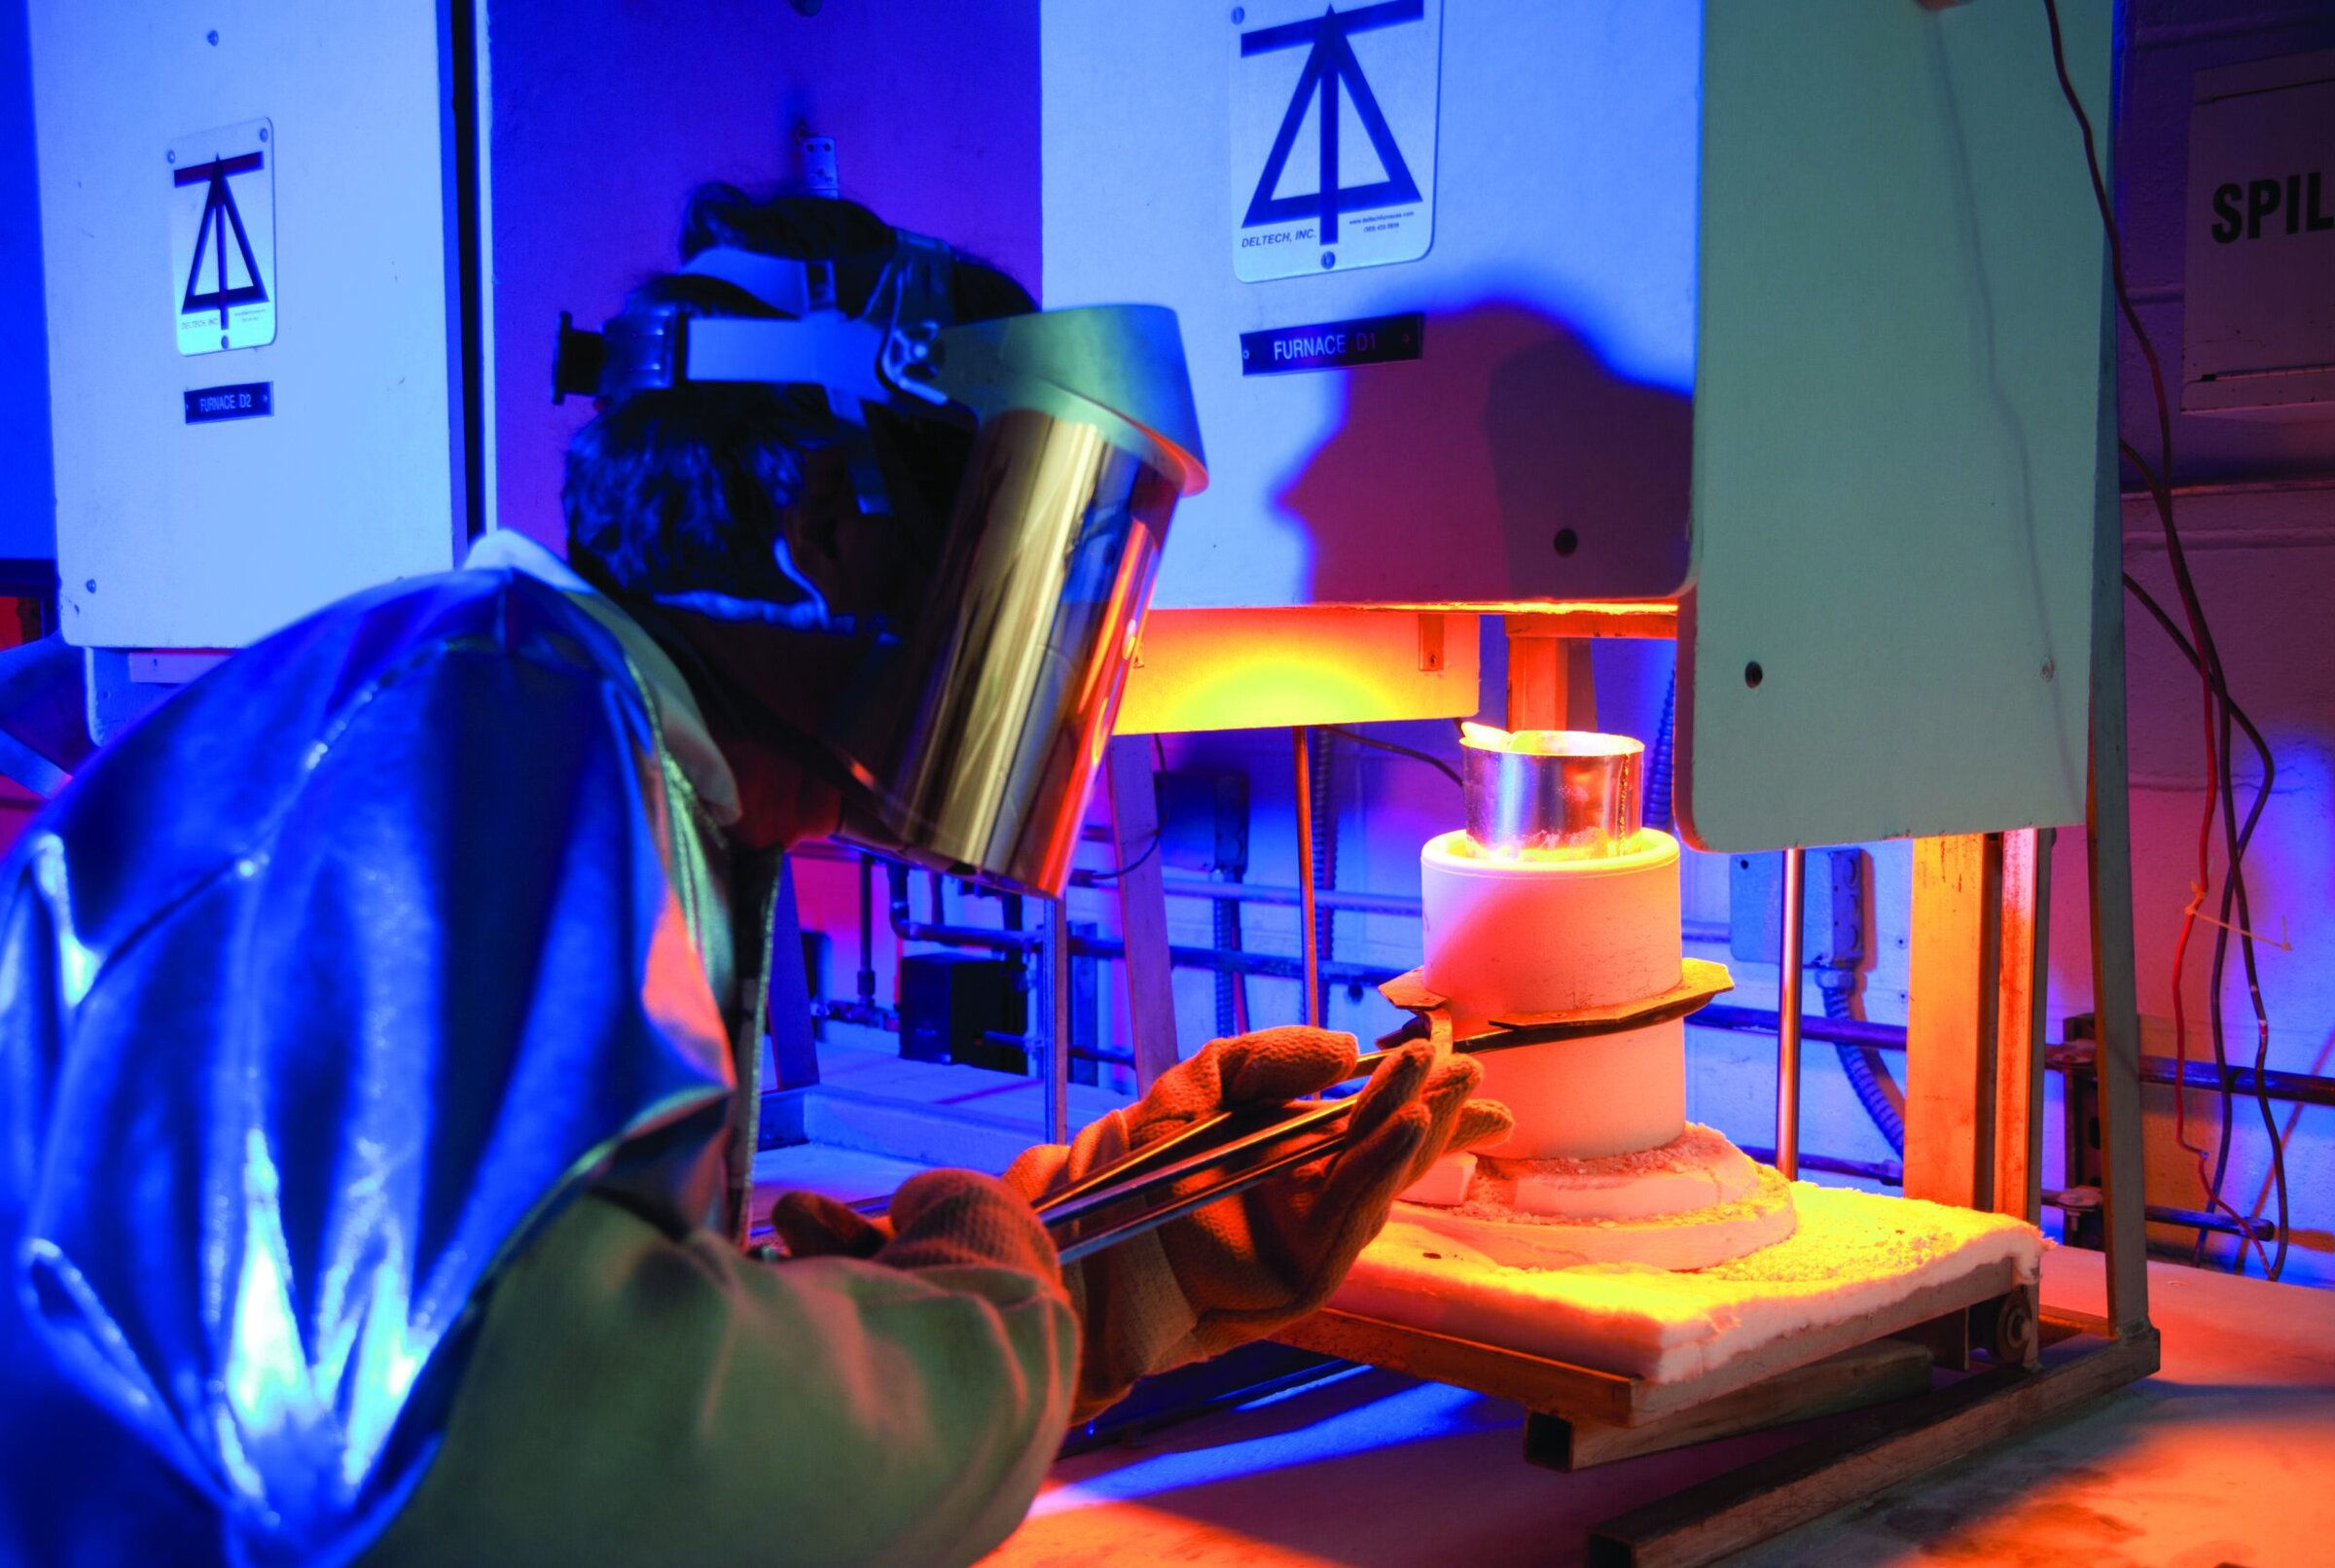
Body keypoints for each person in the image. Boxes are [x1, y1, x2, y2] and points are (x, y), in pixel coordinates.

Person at [0, 188, 1508, 1567]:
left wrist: (1134, 1242)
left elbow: (538, 1307)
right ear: (818, 535)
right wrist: (1015, 1315)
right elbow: (540, 1462)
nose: (1056, 644)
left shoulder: (539, 733)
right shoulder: (500, 729)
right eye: (1012, 541)